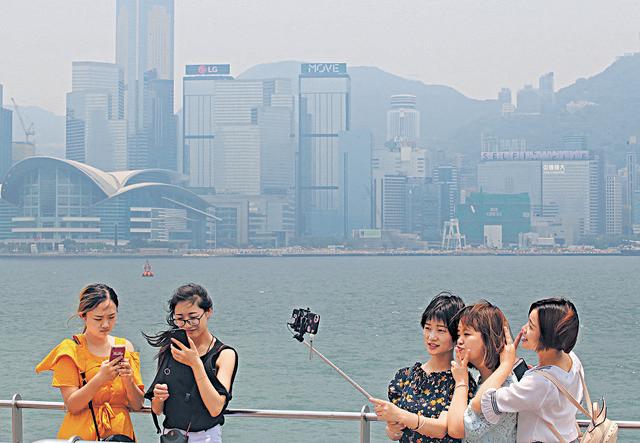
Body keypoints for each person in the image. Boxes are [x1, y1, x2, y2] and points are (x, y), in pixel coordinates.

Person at [35, 284, 144, 441]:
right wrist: (100, 378)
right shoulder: (71, 350)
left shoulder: (125, 347)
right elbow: (72, 405)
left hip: (121, 436)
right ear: (83, 316)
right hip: (81, 436)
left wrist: (128, 380)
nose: (106, 324)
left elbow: (137, 404)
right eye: (98, 318)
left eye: (111, 317)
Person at [370, 291, 476, 442]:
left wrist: (400, 415)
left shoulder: (460, 381)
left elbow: (442, 429)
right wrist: (393, 428)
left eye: (440, 330)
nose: (431, 337)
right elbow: (394, 434)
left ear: (456, 336)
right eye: (427, 328)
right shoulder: (405, 376)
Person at [474, 298, 583, 443]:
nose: (523, 329)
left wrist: (505, 365)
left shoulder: (539, 383)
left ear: (547, 336)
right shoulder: (573, 361)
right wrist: (516, 363)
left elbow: (482, 403)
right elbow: (548, 396)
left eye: (531, 326)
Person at [144, 283, 238, 443]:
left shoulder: (224, 355)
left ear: (208, 312)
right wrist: (158, 398)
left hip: (206, 436)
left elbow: (215, 408)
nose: (187, 324)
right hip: (172, 436)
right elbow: (157, 410)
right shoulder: (169, 350)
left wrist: (196, 364)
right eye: (180, 319)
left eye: (193, 318)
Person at [447, 301, 517, 442]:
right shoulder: (483, 378)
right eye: (459, 334)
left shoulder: (503, 389)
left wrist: (461, 381)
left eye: (467, 334)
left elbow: (456, 429)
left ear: (489, 338)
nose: (459, 341)